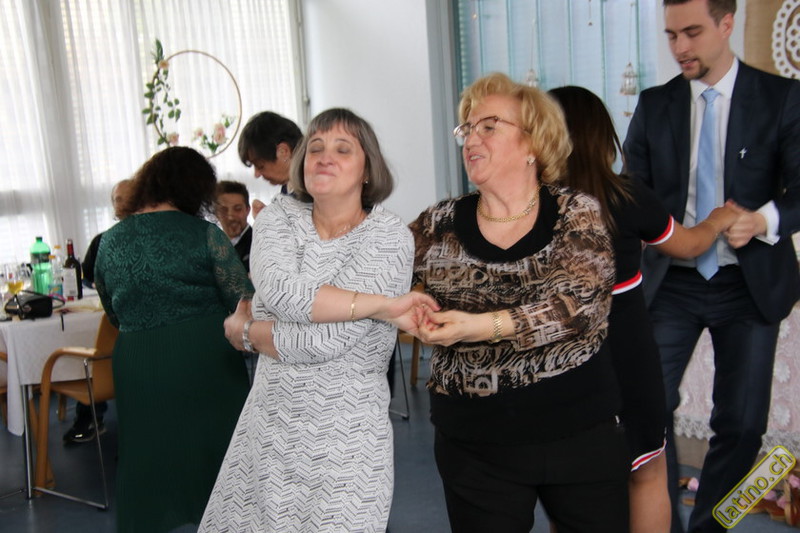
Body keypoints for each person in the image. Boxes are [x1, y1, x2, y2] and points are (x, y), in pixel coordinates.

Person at [410, 72, 630, 532]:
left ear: (533, 143)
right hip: (474, 444)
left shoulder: (575, 212)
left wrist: (481, 326)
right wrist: (407, 310)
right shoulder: (437, 223)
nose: (472, 138)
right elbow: (382, 281)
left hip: (578, 433)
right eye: (467, 128)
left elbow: (580, 306)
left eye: (489, 126)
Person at [200, 108, 437, 532]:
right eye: (316, 148)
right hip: (269, 433)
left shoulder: (389, 237)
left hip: (347, 443)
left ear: (368, 170)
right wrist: (378, 305)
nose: (325, 157)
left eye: (343, 149)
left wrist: (248, 332)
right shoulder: (277, 218)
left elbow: (324, 341)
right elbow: (279, 292)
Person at [622, 1, 800, 531]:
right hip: (670, 282)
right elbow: (631, 191)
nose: (680, 47)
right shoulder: (654, 104)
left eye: (692, 32)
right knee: (647, 412)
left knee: (742, 425)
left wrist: (763, 220)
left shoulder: (782, 98)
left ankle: (707, 529)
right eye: (671, 35)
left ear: (727, 24)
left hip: (749, 283)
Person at [549, 85, 737, 533]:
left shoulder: (534, 208)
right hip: (628, 359)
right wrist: (718, 219)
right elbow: (688, 245)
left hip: (563, 364)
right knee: (647, 472)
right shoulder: (626, 196)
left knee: (568, 484)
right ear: (600, 136)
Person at [94, 147, 253, 532]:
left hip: (138, 358)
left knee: (147, 452)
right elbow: (243, 302)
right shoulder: (206, 235)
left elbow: (110, 308)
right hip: (205, 357)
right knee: (218, 448)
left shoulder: (109, 241)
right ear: (196, 189)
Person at [63, 178, 133, 445]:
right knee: (90, 342)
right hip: (103, 317)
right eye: (117, 200)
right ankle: (92, 416)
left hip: (137, 335)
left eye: (128, 198)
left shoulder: (151, 241)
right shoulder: (102, 241)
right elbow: (86, 280)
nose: (122, 205)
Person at [238, 111, 303, 217]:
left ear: (283, 151)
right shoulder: (288, 186)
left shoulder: (315, 189)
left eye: (260, 166)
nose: (256, 174)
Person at [215, 180, 253, 272]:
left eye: (237, 209)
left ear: (247, 210)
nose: (231, 217)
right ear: (216, 213)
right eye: (224, 210)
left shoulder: (260, 242)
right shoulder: (212, 247)